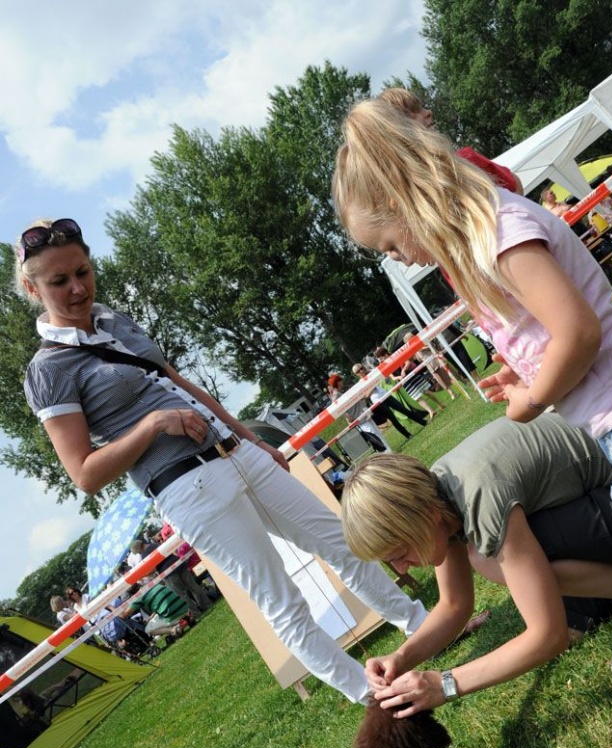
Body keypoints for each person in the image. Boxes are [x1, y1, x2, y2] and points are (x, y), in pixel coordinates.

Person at [19, 218, 428, 704]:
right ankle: (375, 697)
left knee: (342, 540)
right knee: (282, 599)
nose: (77, 287)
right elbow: (84, 474)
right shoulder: (47, 370)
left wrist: (250, 439)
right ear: (32, 287)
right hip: (185, 488)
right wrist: (151, 426)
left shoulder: (117, 322)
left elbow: (182, 385)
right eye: (58, 281)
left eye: (82, 271)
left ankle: (424, 630)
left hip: (236, 454)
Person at [332, 98, 612, 582]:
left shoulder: (495, 231)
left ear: (401, 202)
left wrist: (534, 400)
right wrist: (529, 369)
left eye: (390, 245)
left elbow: (578, 333)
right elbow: (555, 328)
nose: (401, 259)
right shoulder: (482, 239)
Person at [340, 415, 612, 717]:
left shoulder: (478, 497)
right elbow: (454, 605)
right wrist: (401, 658)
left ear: (427, 518)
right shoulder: (437, 491)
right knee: (493, 556)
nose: (402, 569)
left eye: (399, 553)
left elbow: (548, 635)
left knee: (488, 559)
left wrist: (444, 684)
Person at [378, 87, 524, 194]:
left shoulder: (402, 194)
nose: (428, 112)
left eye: (421, 107)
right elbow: (515, 185)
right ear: (401, 130)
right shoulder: (465, 161)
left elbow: (513, 184)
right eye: (412, 113)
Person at [351, 363, 426, 440]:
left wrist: (369, 372)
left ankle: (423, 422)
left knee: (403, 409)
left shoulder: (371, 374)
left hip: (386, 395)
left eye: (362, 368)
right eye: (358, 371)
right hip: (378, 401)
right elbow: (365, 396)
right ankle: (407, 435)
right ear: (356, 374)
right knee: (393, 419)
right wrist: (371, 388)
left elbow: (378, 371)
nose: (361, 371)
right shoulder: (360, 384)